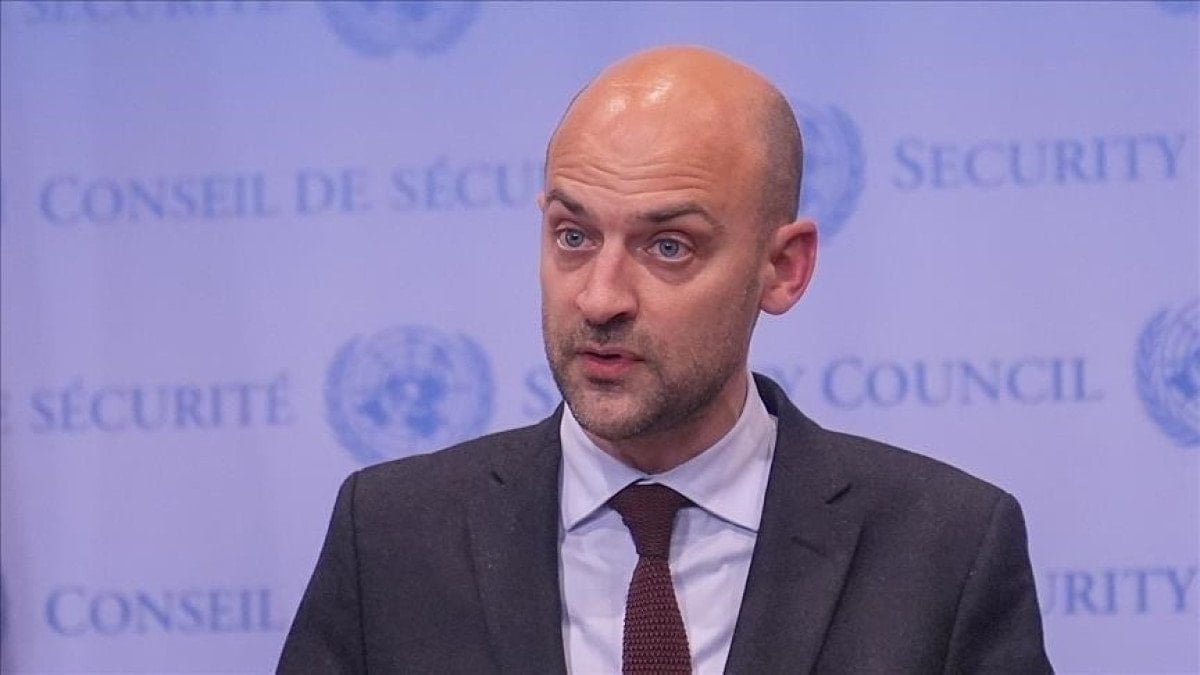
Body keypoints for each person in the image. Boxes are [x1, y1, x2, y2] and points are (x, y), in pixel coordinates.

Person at [278, 46, 1053, 674]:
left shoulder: (945, 549)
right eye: (573, 235)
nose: (600, 297)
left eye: (669, 246)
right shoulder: (390, 537)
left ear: (784, 268)